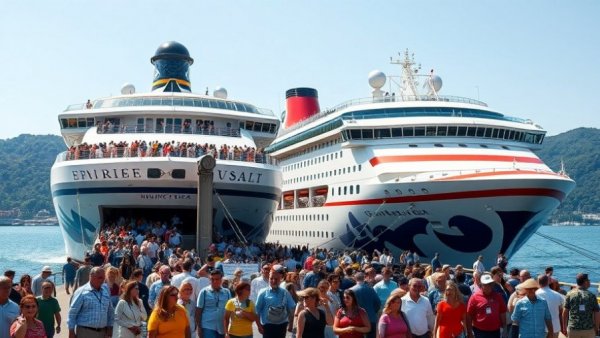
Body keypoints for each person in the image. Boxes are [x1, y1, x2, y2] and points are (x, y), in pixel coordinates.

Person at [68, 267, 115, 338]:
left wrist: (110, 329)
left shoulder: (105, 290)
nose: (102, 280)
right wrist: (71, 331)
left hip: (102, 332)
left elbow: (110, 311)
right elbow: (72, 313)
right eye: (100, 278)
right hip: (86, 332)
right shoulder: (81, 292)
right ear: (91, 276)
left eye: (103, 278)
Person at [255, 265, 296, 338]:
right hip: (268, 327)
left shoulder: (285, 292)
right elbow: (257, 311)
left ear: (280, 279)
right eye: (271, 279)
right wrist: (259, 326)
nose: (273, 281)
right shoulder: (263, 293)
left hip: (282, 326)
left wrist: (291, 324)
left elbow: (292, 309)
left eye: (276, 279)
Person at [466, 273, 507, 338]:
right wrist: (469, 332)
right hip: (479, 332)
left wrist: (505, 328)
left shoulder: (498, 296)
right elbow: (469, 315)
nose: (488, 286)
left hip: (495, 331)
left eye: (490, 284)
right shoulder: (474, 297)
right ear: (481, 285)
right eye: (486, 284)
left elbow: (502, 312)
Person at [561, 273, 599, 338]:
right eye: (588, 280)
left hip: (573, 329)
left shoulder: (569, 294)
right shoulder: (591, 296)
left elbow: (565, 312)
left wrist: (564, 328)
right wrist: (597, 327)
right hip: (588, 329)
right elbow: (597, 313)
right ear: (585, 282)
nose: (590, 281)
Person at [196, 269, 232, 338]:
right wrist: (199, 328)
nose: (215, 281)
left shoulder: (227, 292)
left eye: (217, 279)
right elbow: (198, 311)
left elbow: (230, 310)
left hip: (223, 327)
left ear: (221, 279)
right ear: (209, 280)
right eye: (212, 279)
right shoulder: (204, 292)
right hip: (208, 326)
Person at [350, 272, 381, 338]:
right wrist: (372, 311)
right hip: (371, 318)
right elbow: (378, 303)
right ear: (364, 278)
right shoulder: (370, 289)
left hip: (357, 320)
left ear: (355, 278)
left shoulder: (351, 290)